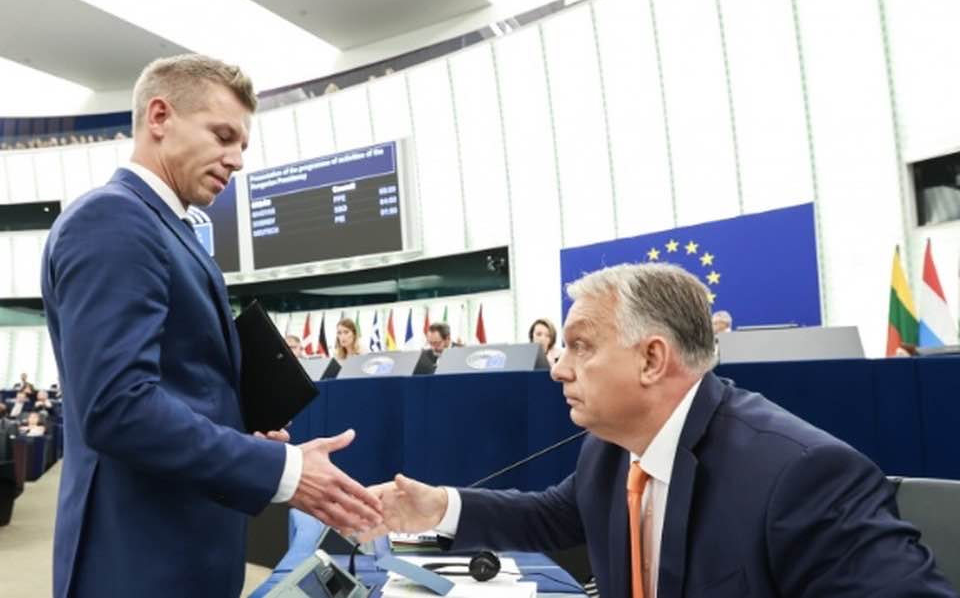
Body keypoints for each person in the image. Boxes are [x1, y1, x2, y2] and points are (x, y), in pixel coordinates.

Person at [364, 263, 956, 597]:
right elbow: (554, 515)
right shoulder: (611, 450)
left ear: (651, 359)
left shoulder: (802, 475)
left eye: (580, 346)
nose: (558, 368)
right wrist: (437, 507)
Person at [41, 54, 382, 598]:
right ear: (159, 116)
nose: (237, 160)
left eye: (242, 145)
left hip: (181, 547)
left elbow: (176, 387)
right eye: (223, 136)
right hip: (139, 560)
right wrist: (283, 469)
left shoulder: (163, 227)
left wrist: (238, 430)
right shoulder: (114, 219)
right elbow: (117, 407)